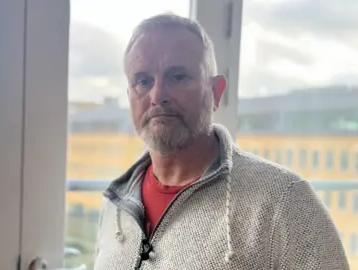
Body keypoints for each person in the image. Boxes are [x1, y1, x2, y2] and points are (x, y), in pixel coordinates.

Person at [93, 13, 349, 270]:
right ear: (129, 95)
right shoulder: (116, 202)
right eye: (143, 80)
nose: (158, 95)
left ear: (216, 92)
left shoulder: (285, 202)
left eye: (178, 76)